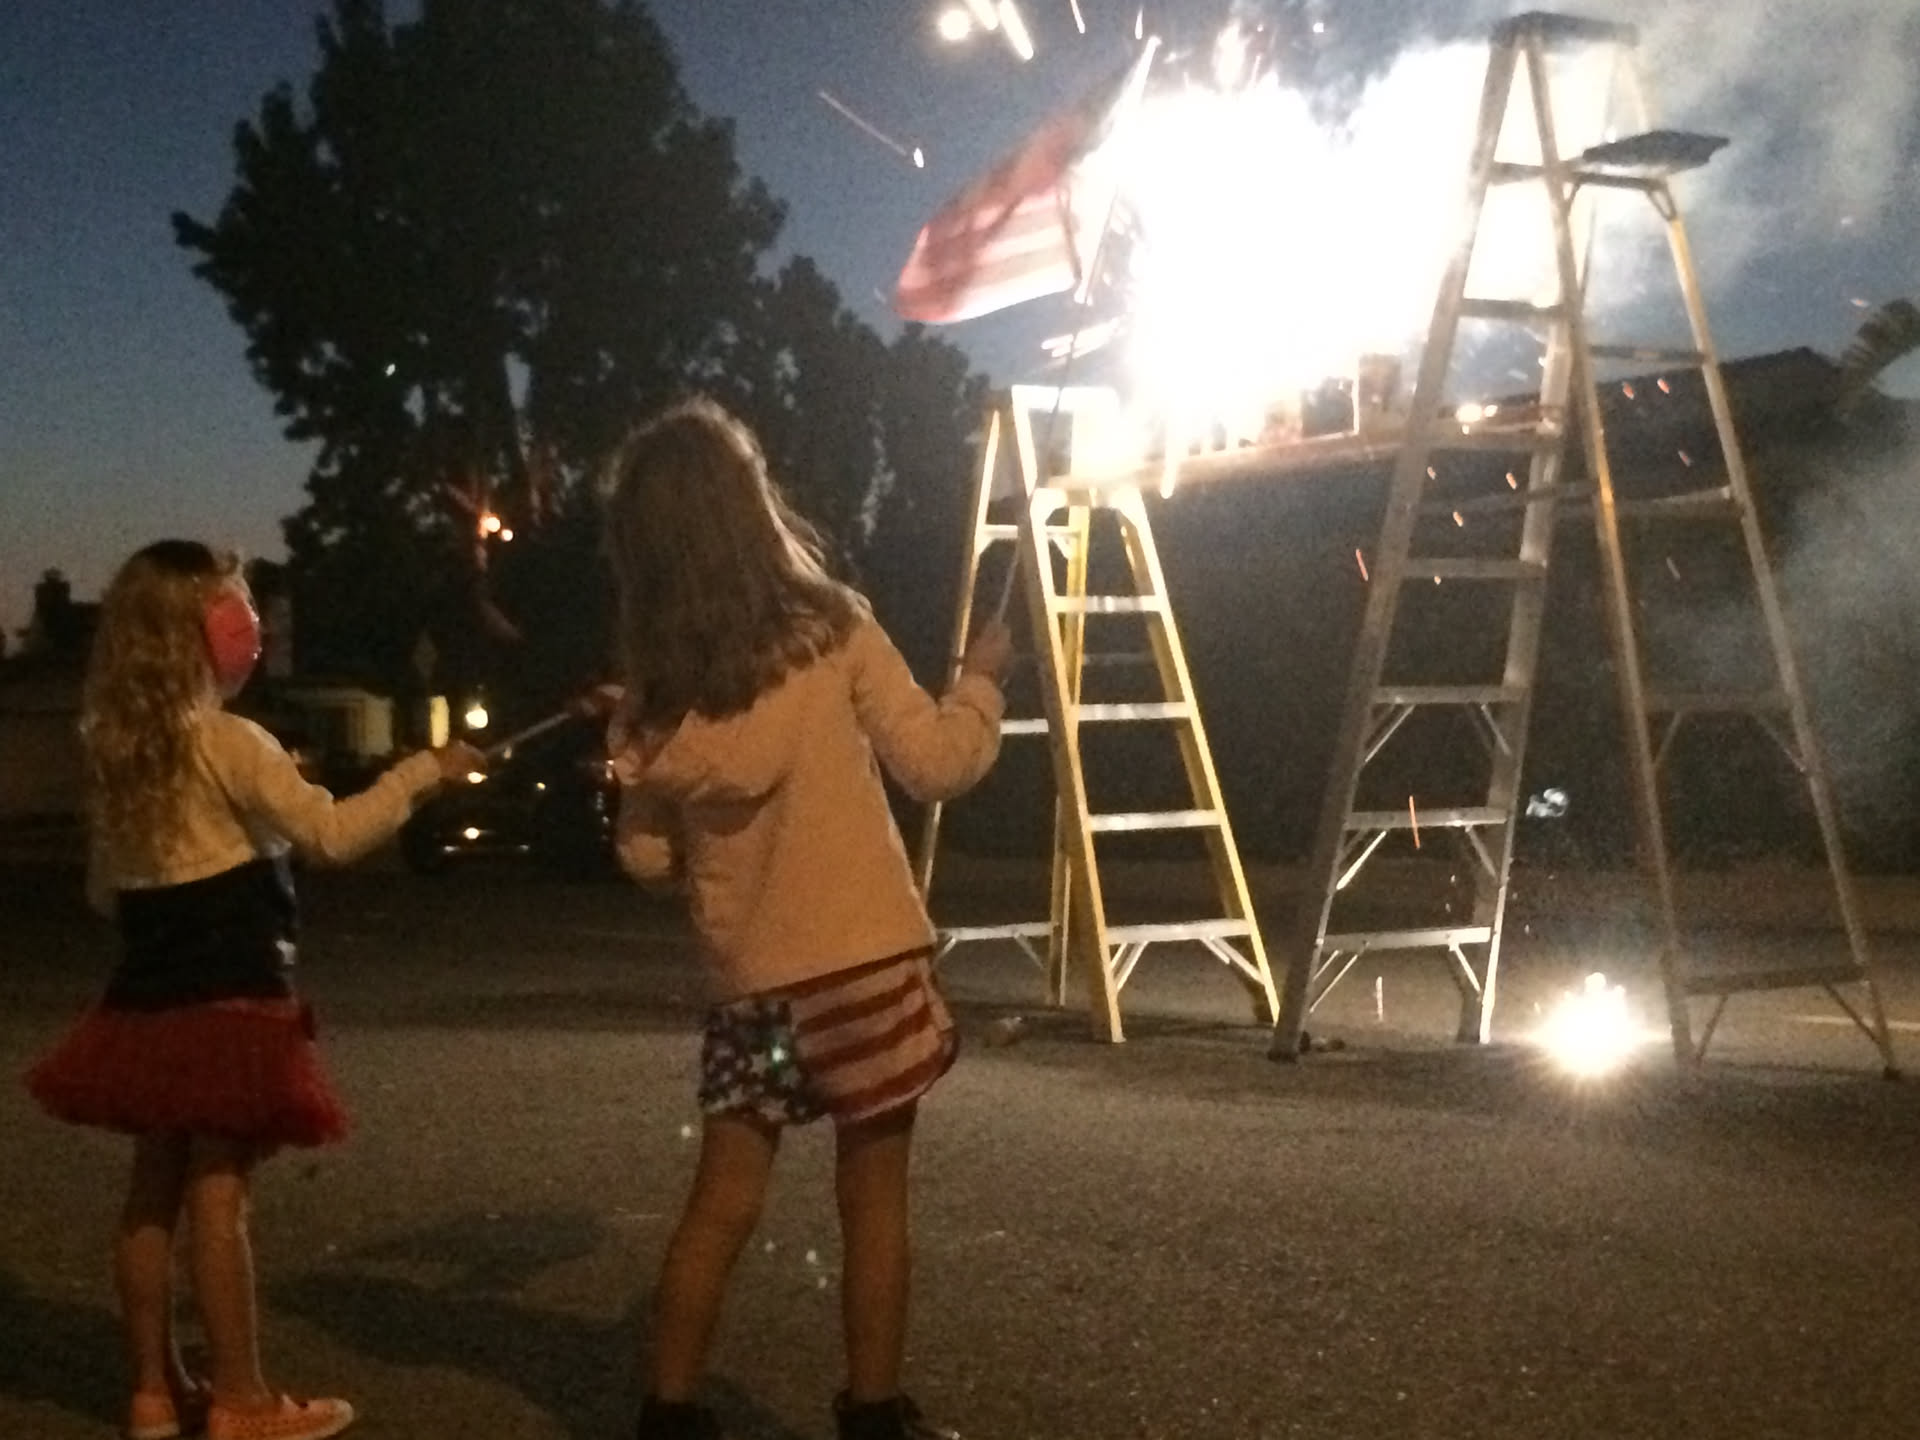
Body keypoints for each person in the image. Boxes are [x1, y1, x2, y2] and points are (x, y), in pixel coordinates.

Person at [601, 400, 1012, 1440]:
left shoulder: (653, 703)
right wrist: (981, 684)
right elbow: (935, 763)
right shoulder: (834, 629)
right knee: (872, 1203)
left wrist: (669, 820)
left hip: (753, 991)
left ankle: (669, 1413)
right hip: (865, 966)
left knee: (721, 1203)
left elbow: (646, 860)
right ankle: (872, 1414)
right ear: (752, 507)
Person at [24, 540, 484, 1440]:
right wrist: (424, 772)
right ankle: (241, 1398)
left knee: (151, 1190)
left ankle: (153, 1393)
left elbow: (103, 893)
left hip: (145, 999)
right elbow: (332, 835)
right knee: (220, 1193)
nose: (256, 624)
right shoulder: (232, 742)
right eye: (237, 606)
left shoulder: (124, 755)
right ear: (199, 632)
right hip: (234, 998)